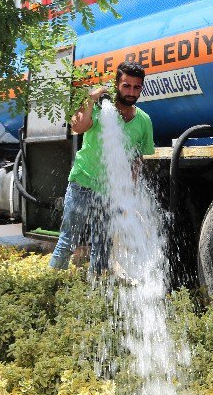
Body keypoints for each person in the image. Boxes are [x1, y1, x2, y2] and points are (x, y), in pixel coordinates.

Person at [48, 61, 154, 272]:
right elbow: (78, 127)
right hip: (82, 183)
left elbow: (136, 161)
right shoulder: (101, 110)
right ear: (116, 85)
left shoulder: (143, 121)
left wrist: (128, 196)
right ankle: (50, 290)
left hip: (110, 192)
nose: (131, 92)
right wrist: (91, 98)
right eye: (126, 86)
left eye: (136, 87)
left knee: (103, 248)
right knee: (68, 241)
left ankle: (96, 295)